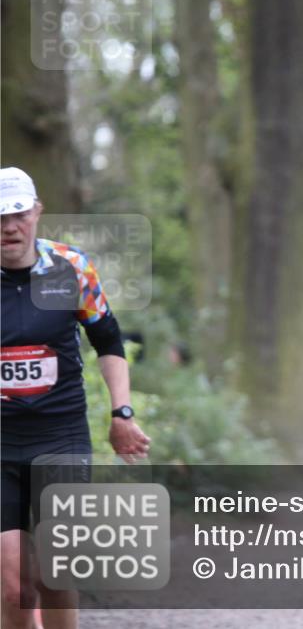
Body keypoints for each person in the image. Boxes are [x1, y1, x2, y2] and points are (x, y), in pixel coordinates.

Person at [0, 166, 151, 629]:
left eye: (19, 214)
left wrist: (121, 413)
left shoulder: (71, 268)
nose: (9, 226)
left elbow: (108, 340)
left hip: (60, 434)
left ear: (37, 213)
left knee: (54, 572)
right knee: (14, 586)